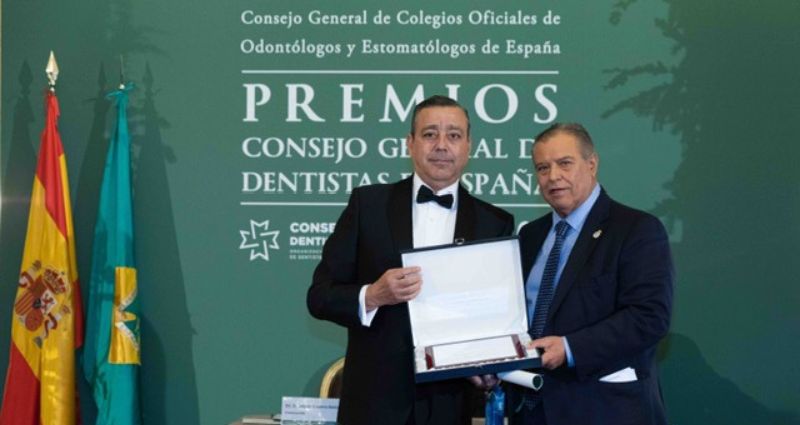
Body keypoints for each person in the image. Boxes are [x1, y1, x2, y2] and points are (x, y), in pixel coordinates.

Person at [307, 95, 515, 425]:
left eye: (454, 135)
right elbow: (319, 296)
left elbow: (497, 318)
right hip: (373, 407)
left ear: (469, 146)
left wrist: (489, 363)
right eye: (430, 134)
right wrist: (373, 295)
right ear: (410, 143)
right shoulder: (367, 205)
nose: (441, 145)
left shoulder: (495, 223)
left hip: (451, 407)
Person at [510, 123, 673, 425]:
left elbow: (649, 317)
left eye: (565, 163)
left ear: (592, 164)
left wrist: (570, 348)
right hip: (532, 411)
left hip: (605, 410)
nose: (553, 176)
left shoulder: (636, 229)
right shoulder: (530, 236)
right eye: (543, 168)